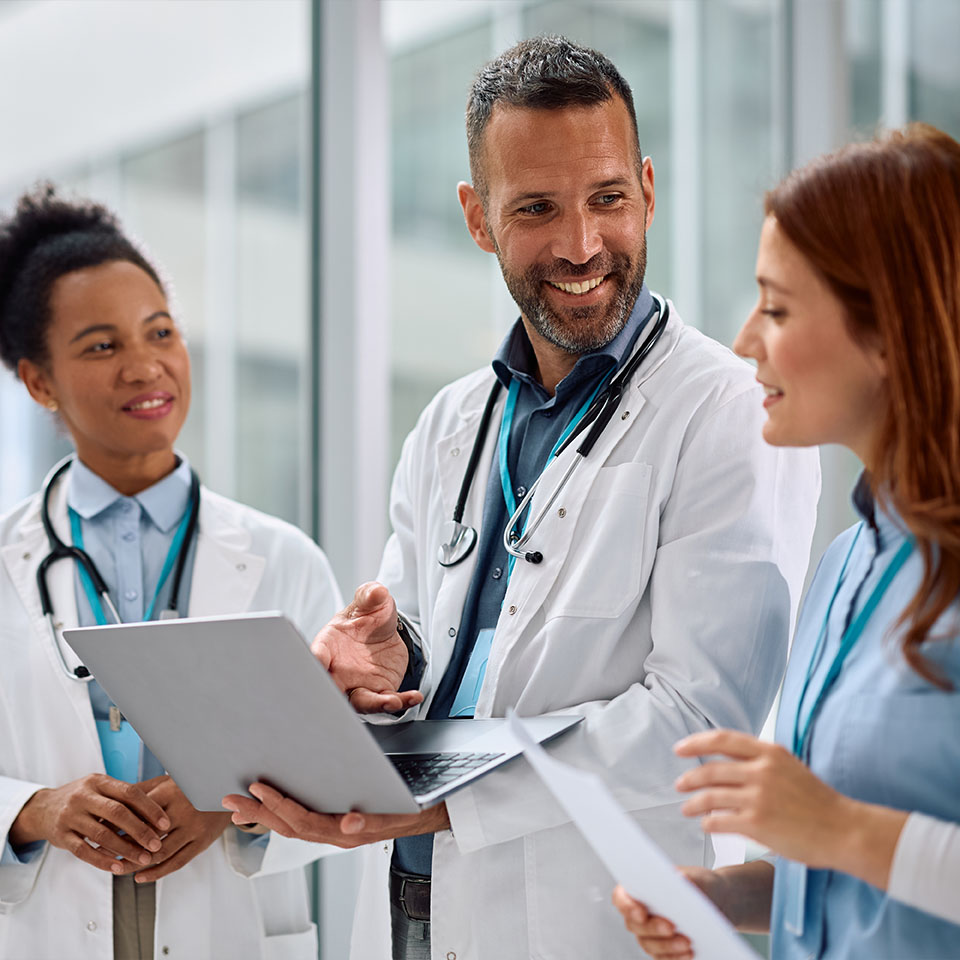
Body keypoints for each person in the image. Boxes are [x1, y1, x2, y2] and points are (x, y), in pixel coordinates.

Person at [223, 36, 820, 960]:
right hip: (412, 911)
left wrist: (449, 800)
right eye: (537, 208)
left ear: (649, 190)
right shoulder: (451, 422)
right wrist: (389, 658)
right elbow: (434, 642)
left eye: (609, 199)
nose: (582, 246)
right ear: (477, 216)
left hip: (599, 917)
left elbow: (703, 719)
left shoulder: (727, 412)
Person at [613, 124, 960, 959]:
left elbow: (849, 833)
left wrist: (837, 827)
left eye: (776, 307)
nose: (744, 343)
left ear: (889, 331)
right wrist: (728, 896)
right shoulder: (847, 567)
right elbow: (853, 870)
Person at [0, 186, 342, 960]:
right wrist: (34, 809)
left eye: (161, 332)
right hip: (47, 919)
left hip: (228, 921)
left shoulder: (282, 559)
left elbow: (346, 767)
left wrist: (231, 809)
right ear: (38, 381)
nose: (145, 365)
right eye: (100, 346)